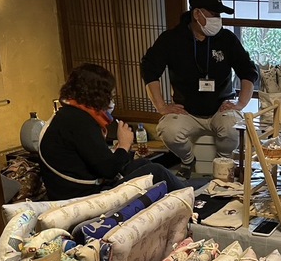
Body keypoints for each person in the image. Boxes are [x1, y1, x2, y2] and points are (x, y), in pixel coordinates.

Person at [140, 0, 259, 179]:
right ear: (197, 14)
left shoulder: (226, 39)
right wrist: (161, 106)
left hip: (221, 108)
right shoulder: (172, 39)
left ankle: (222, 163)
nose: (218, 19)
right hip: (186, 111)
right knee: (167, 130)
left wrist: (241, 104)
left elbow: (248, 71)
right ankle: (188, 160)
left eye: (219, 15)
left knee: (233, 128)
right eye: (213, 14)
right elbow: (149, 69)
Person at [39, 63, 184, 201]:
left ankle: (183, 194)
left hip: (78, 187)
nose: (111, 101)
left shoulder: (69, 115)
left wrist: (121, 150)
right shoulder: (79, 121)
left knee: (142, 164)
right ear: (97, 95)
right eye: (110, 96)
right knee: (155, 171)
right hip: (84, 196)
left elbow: (95, 160)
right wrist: (124, 144)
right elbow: (109, 170)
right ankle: (189, 198)